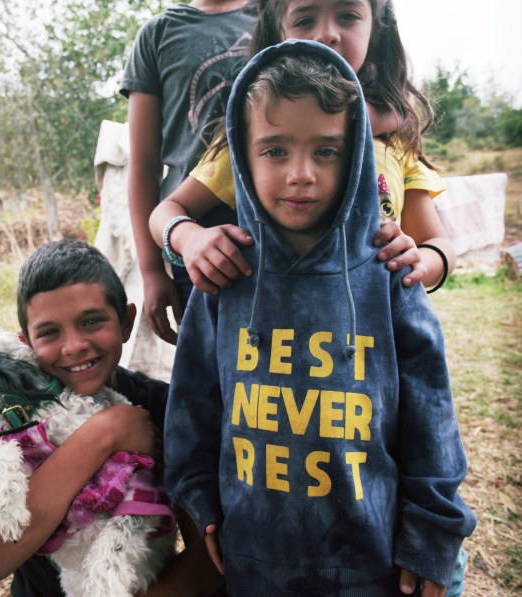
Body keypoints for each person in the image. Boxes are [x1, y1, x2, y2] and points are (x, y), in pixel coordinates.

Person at [163, 40, 475, 596]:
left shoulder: (389, 272)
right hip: (253, 561)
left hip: (372, 564)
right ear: (242, 154)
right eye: (275, 150)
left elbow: (433, 421)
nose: (301, 174)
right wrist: (200, 500)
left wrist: (432, 533)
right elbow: (192, 407)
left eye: (326, 151)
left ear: (355, 154)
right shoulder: (224, 278)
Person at [149, 0, 455, 331]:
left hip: (368, 355)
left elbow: (439, 245)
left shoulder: (395, 146)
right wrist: (188, 237)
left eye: (347, 15)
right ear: (276, 33)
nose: (327, 34)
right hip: (260, 352)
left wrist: (420, 263)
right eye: (305, 19)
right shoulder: (254, 137)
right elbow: (167, 209)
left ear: (376, 27)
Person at [0, 239, 225, 596]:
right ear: (26, 343)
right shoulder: (12, 410)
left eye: (91, 321)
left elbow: (207, 565)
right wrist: (104, 433)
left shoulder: (167, 409)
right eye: (49, 332)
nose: (74, 346)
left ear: (125, 322)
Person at [122, 0, 257, 345]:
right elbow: (143, 165)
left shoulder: (279, 15)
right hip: (189, 244)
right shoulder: (158, 34)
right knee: (208, 375)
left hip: (277, 241)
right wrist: (152, 271)